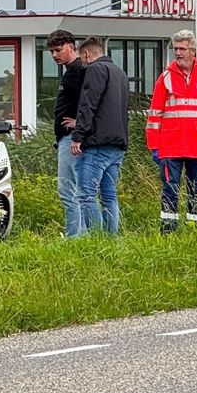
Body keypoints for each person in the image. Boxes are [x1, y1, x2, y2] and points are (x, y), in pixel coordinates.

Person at [146, 30, 197, 233]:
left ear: (193, 51)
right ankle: (168, 231)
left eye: (182, 49)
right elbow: (155, 114)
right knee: (169, 190)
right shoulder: (165, 78)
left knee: (196, 190)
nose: (178, 53)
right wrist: (153, 146)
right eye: (176, 49)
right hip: (170, 145)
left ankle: (195, 230)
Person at [70, 37, 129, 235]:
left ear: (87, 54)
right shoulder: (119, 73)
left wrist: (78, 136)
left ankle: (97, 239)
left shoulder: (95, 70)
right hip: (117, 144)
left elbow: (88, 104)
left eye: (82, 58)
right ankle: (111, 240)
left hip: (97, 143)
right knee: (109, 196)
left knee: (86, 195)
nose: (82, 63)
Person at [47, 30, 85, 237]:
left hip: (72, 139)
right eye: (51, 51)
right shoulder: (70, 71)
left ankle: (76, 236)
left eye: (58, 50)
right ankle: (80, 234)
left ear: (71, 46)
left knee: (69, 191)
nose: (54, 55)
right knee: (73, 190)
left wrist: (80, 125)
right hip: (66, 137)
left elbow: (90, 101)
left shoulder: (78, 71)